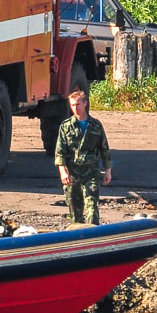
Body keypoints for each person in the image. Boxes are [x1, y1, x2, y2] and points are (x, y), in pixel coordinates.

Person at [53, 90, 112, 225]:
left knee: (92, 206)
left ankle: (93, 235)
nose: (75, 108)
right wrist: (63, 171)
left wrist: (107, 170)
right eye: (72, 105)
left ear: (85, 103)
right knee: (75, 210)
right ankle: (78, 237)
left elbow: (104, 148)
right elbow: (60, 151)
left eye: (78, 104)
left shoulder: (96, 125)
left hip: (91, 172)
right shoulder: (66, 126)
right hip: (73, 174)